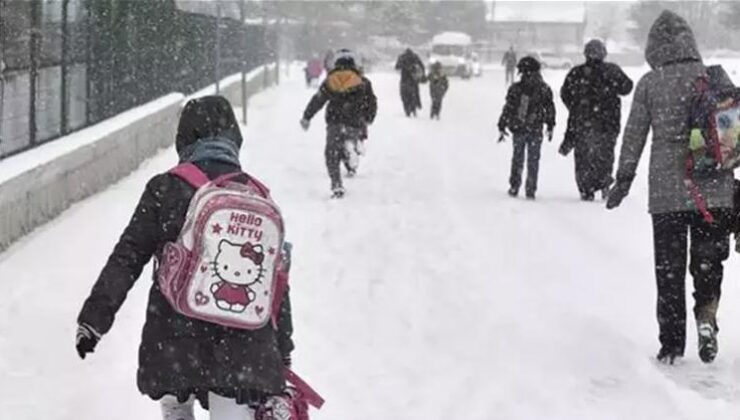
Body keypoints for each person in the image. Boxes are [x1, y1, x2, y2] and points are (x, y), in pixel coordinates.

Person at [75, 96, 295, 420]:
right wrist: (282, 351)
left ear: (184, 138)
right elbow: (275, 283)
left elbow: (128, 256)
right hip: (242, 349)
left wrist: (94, 319)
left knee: (175, 404)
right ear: (233, 137)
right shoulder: (256, 195)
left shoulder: (165, 189)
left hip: (174, 340)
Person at [607, 10, 734, 365]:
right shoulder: (712, 78)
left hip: (667, 194)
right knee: (708, 263)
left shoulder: (650, 83)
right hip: (715, 191)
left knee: (670, 270)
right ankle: (706, 316)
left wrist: (623, 179)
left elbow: (633, 136)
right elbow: (732, 138)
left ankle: (672, 344)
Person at [560, 39, 633, 201]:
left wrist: (576, 107)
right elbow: (627, 87)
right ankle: (604, 181)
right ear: (603, 54)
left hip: (582, 123)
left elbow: (565, 94)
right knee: (605, 154)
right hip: (608, 123)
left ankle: (586, 188)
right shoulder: (612, 70)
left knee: (583, 156)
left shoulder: (576, 73)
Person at [300, 49, 378, 199]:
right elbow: (371, 102)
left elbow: (318, 100)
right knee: (351, 140)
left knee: (331, 153)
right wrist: (369, 118)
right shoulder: (363, 82)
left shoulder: (330, 80)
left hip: (335, 121)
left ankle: (336, 183)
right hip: (355, 121)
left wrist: (307, 117)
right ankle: (353, 150)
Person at [497, 56, 556, 200]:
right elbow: (550, 108)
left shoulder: (516, 89)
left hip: (519, 128)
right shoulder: (544, 88)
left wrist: (502, 124)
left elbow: (508, 108)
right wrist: (550, 124)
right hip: (535, 129)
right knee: (533, 159)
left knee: (518, 158)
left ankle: (514, 185)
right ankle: (531, 188)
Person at [395, 48, 425, 117]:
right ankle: (414, 108)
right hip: (413, 80)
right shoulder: (415, 57)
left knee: (404, 96)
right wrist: (421, 74)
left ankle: (407, 110)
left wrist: (403, 66)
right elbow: (422, 66)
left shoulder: (402, 57)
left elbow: (397, 67)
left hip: (404, 80)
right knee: (414, 95)